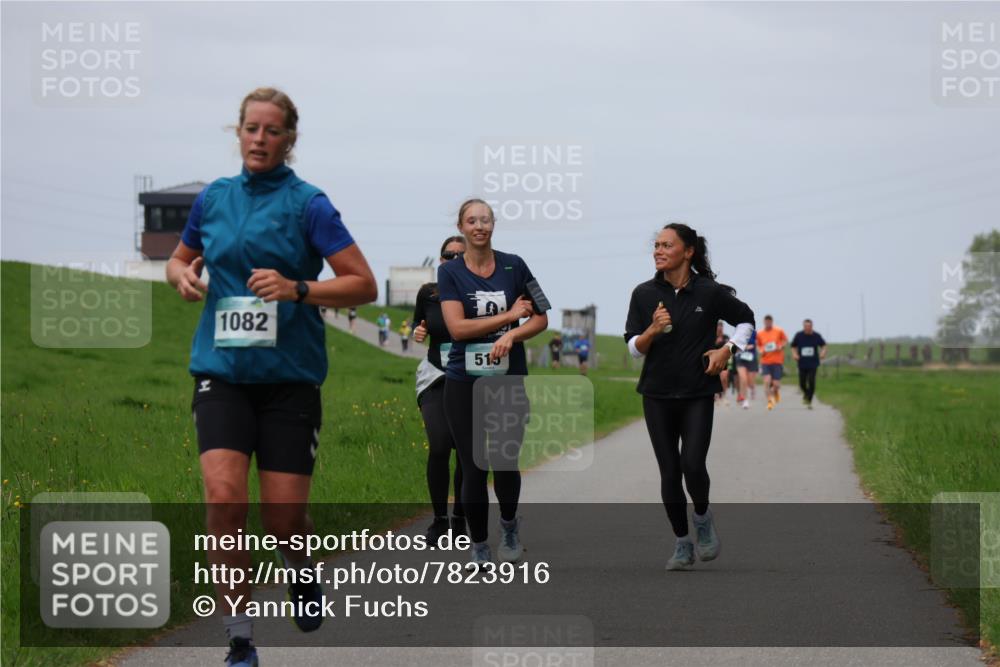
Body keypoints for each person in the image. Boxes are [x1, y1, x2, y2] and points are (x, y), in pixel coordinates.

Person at [166, 87, 377, 667]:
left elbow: (363, 283)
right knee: (225, 498)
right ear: (237, 132)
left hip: (289, 380)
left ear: (290, 139)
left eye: (273, 130)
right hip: (222, 373)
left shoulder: (309, 204)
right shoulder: (213, 198)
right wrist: (178, 274)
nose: (260, 139)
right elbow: (181, 257)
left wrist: (297, 288)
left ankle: (302, 574)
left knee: (284, 519)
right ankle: (239, 638)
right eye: (251, 128)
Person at [624, 222, 754, 571]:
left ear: (688, 251)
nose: (658, 251)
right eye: (656, 245)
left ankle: (701, 517)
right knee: (669, 471)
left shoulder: (709, 293)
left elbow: (746, 320)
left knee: (692, 465)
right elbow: (633, 348)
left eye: (667, 245)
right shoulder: (643, 293)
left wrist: (727, 350)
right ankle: (682, 543)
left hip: (698, 392)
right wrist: (651, 329)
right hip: (656, 394)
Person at [439, 198, 549, 569]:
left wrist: (513, 336)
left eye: (485, 220)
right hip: (463, 379)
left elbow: (540, 318)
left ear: (493, 225)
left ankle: (509, 527)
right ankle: (480, 546)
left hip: (507, 378)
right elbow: (457, 328)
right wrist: (508, 317)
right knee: (472, 465)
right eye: (472, 220)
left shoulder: (514, 265)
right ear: (461, 226)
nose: (479, 226)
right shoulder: (450, 273)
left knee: (504, 461)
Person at [412, 235, 468, 543]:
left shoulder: (476, 294)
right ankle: (438, 520)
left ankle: (460, 517)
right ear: (441, 260)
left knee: (464, 452)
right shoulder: (428, 293)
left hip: (469, 376)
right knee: (438, 445)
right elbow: (418, 326)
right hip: (434, 374)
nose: (454, 260)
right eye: (448, 255)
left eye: (461, 255)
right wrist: (419, 331)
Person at [791, 319, 827, 409]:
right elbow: (793, 346)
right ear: (803, 326)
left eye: (809, 326)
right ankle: (807, 393)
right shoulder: (799, 335)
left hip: (813, 363)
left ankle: (809, 400)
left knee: (811, 381)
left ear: (811, 326)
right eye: (805, 326)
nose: (807, 328)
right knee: (802, 383)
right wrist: (795, 354)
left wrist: (823, 353)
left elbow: (824, 346)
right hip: (802, 363)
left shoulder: (816, 336)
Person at [756, 315, 788, 411]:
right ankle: (769, 401)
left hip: (777, 361)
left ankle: (776, 392)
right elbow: (758, 345)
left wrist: (781, 346)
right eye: (766, 322)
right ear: (764, 322)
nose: (768, 324)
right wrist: (760, 350)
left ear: (772, 322)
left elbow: (785, 341)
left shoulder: (779, 331)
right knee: (767, 381)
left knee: (776, 384)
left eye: (769, 322)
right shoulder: (760, 333)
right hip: (765, 361)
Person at [734, 327, 760, 409]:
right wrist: (742, 347)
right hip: (740, 358)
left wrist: (753, 345)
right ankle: (745, 400)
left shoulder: (754, 333)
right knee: (743, 378)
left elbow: (758, 343)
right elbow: (734, 344)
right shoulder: (738, 332)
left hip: (751, 358)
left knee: (750, 381)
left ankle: (752, 388)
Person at [712, 321, 730, 406]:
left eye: (721, 327)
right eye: (718, 326)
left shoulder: (726, 337)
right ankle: (716, 396)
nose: (720, 328)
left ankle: (724, 395)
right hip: (713, 361)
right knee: (715, 379)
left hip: (723, 361)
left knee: (724, 378)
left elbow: (730, 348)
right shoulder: (712, 337)